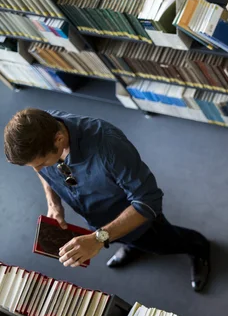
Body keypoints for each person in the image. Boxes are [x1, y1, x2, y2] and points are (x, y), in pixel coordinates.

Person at [3, 109, 211, 291]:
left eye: (41, 163)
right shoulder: (41, 130)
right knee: (129, 239)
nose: (39, 170)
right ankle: (131, 244)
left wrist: (99, 239)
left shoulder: (108, 146)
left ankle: (198, 248)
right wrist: (54, 204)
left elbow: (148, 202)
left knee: (164, 244)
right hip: (99, 217)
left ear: (58, 139)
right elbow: (41, 169)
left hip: (137, 219)